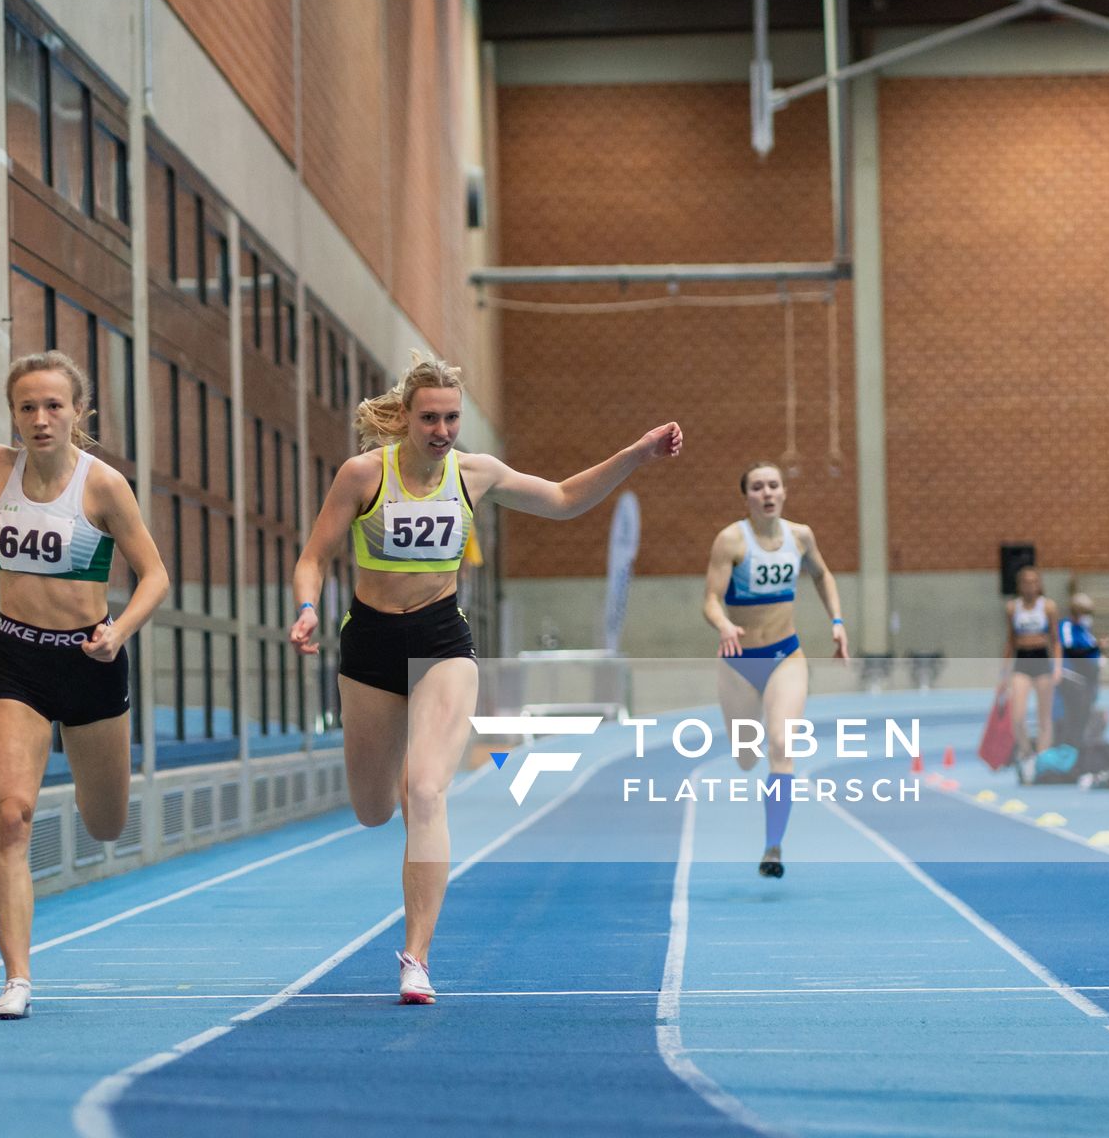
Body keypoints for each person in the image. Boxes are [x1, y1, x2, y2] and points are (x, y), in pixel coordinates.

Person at [290, 351, 680, 1005]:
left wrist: (636, 455)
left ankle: (415, 957)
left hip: (443, 641)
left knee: (427, 790)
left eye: (451, 419)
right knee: (372, 808)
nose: (442, 432)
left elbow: (560, 498)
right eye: (430, 419)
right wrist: (306, 609)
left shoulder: (475, 475)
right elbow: (312, 557)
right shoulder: (364, 475)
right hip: (370, 646)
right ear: (407, 419)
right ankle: (392, 817)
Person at [0, 333, 169, 1020]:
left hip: (90, 659)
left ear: (78, 411)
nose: (39, 420)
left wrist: (118, 632)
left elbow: (155, 575)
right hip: (18, 658)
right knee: (11, 816)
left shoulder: (102, 485)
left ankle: (91, 779)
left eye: (52, 406)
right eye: (26, 408)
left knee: (104, 823)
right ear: (12, 415)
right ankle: (16, 977)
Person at [701, 462, 848, 880]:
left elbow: (823, 575)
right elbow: (710, 598)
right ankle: (749, 762)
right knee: (747, 759)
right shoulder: (731, 540)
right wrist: (724, 623)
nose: (767, 493)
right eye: (757, 487)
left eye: (774, 486)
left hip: (787, 654)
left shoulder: (800, 536)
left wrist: (837, 622)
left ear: (784, 492)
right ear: (746, 496)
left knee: (782, 746)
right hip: (739, 663)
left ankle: (773, 846)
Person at [1001, 567, 1062, 772]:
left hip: (1041, 660)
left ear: (1039, 584)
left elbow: (1055, 640)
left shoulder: (1048, 607)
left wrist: (1058, 667)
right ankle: (1026, 752)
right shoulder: (1012, 607)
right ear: (1020, 585)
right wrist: (1004, 673)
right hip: (1022, 662)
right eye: (1026, 582)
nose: (1030, 586)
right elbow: (1010, 641)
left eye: (1034, 581)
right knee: (1017, 716)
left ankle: (1043, 756)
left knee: (1044, 716)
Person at [1055, 592, 1105, 749]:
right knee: (1074, 719)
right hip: (1073, 679)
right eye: (1085, 613)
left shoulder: (1084, 629)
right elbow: (1071, 651)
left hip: (1088, 680)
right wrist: (1096, 647)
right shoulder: (1066, 626)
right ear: (1076, 612)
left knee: (1084, 720)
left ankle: (1079, 751)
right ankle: (1070, 751)